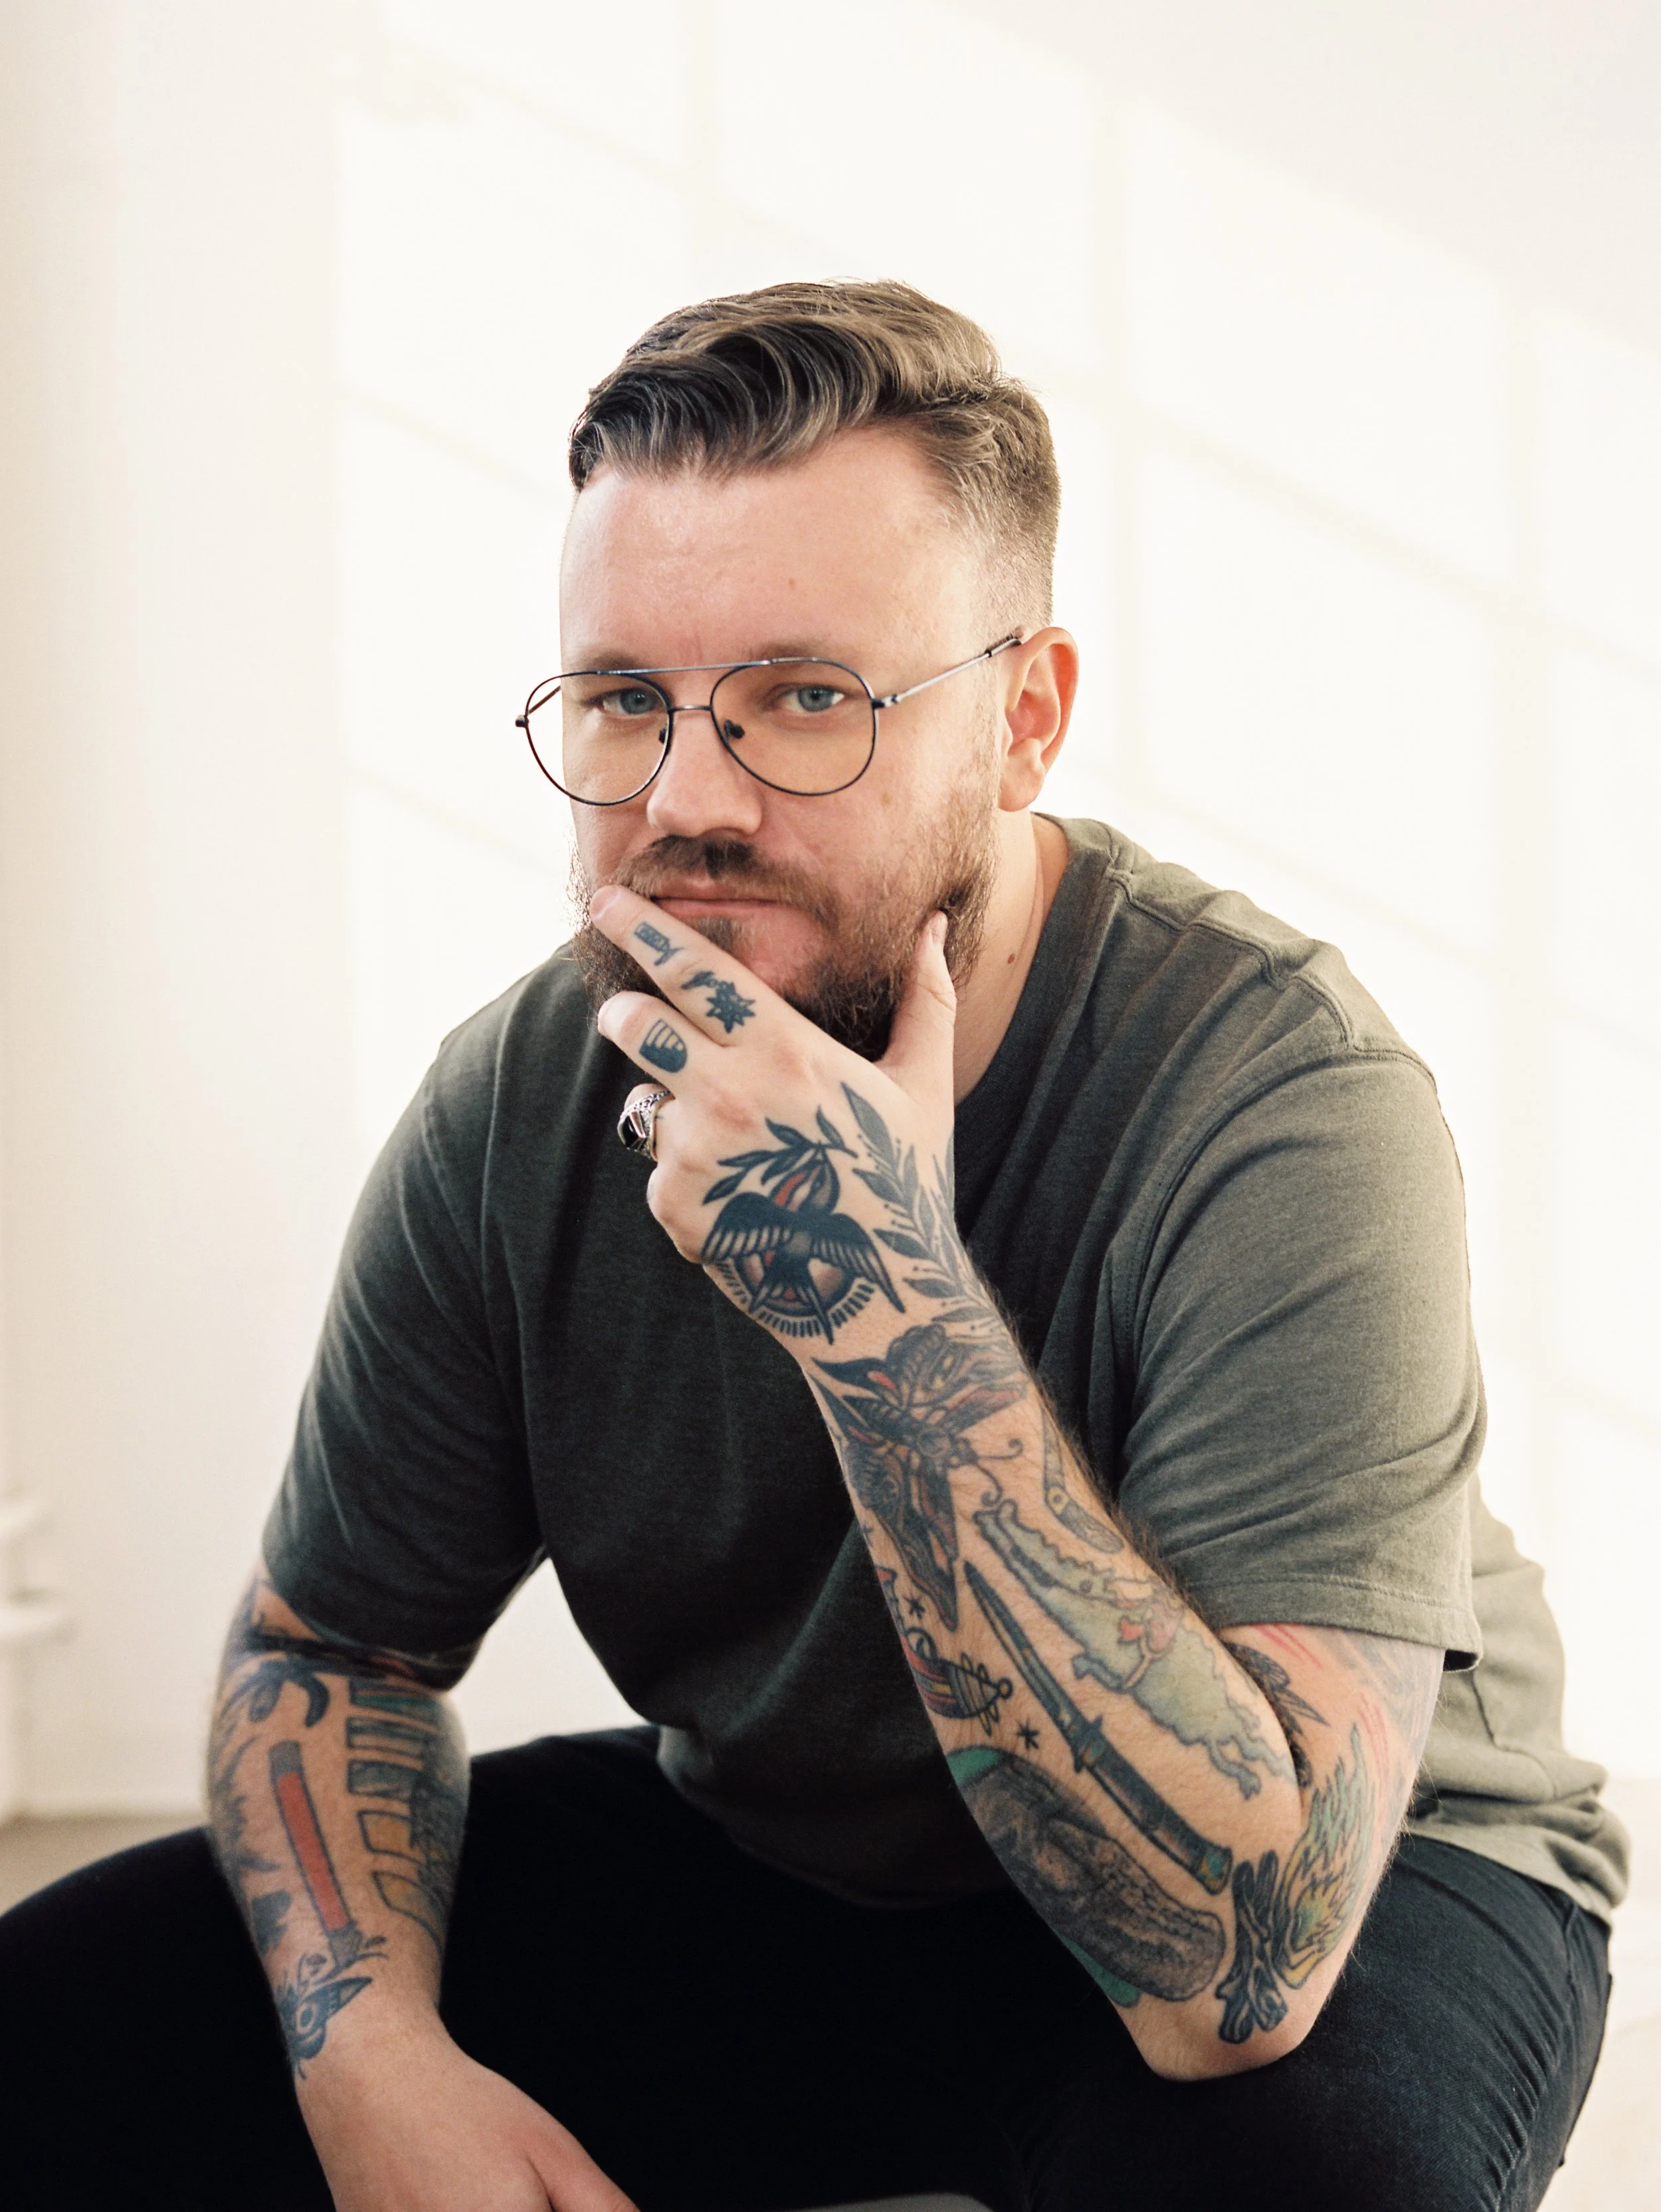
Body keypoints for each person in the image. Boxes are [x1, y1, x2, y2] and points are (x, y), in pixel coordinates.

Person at [0, 281, 1624, 2212]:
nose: (687, 802)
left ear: (1021, 722)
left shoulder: (1281, 1096)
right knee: (59, 2028)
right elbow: (332, 1645)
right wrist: (379, 2059)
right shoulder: (523, 1097)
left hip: (1350, 1874)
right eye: (623, 700)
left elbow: (1230, 1972)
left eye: (803, 701)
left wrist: (882, 1309)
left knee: (1299, 2180)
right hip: (795, 1860)